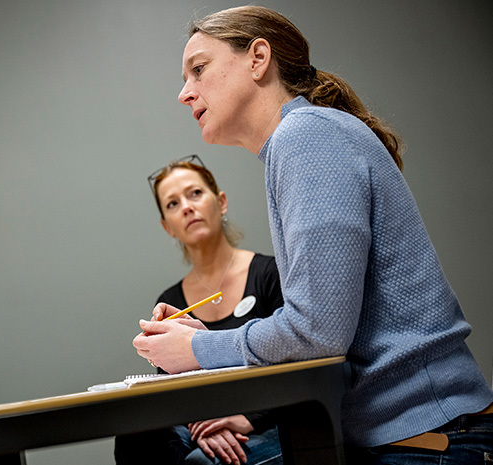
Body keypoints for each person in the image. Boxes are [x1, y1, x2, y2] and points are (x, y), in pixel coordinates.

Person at [132, 6, 493, 464]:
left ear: (258, 58)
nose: (185, 93)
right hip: (417, 434)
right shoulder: (301, 138)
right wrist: (205, 342)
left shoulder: (304, 138)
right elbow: (319, 328)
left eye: (198, 69)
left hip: (430, 440)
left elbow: (316, 333)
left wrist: (198, 348)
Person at [115, 155, 283, 465]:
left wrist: (245, 418)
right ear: (167, 227)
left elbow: (300, 361)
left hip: (273, 419)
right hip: (202, 422)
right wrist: (202, 422)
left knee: (201, 462)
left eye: (195, 193)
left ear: (221, 202)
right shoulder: (170, 300)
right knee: (135, 437)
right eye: (173, 203)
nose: (187, 207)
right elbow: (173, 389)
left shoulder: (270, 274)